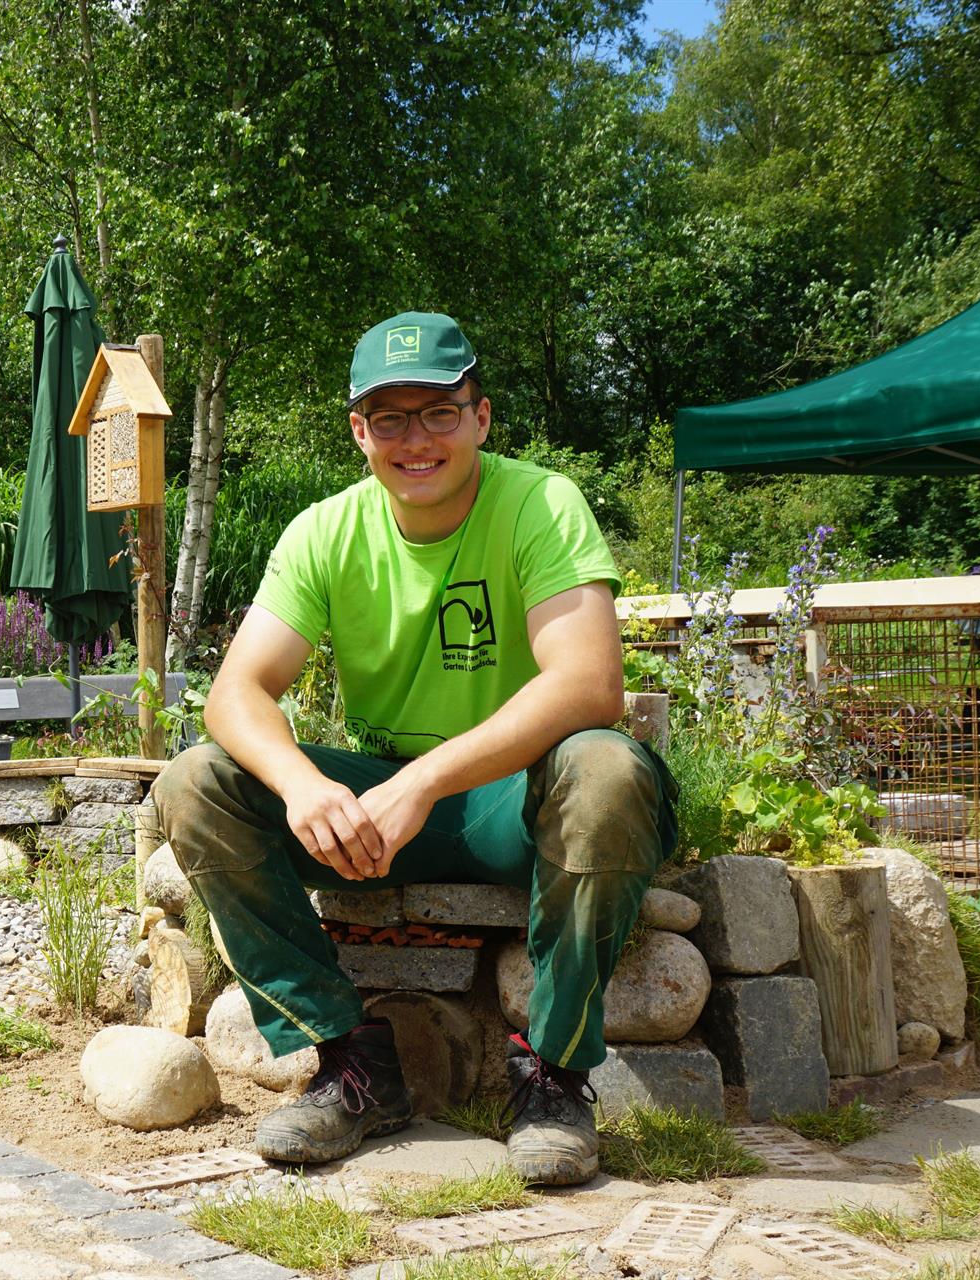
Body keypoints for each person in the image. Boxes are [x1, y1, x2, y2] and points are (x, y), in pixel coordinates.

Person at [154, 312, 677, 1185]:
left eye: (438, 411)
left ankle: (552, 1074)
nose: (416, 439)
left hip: (519, 798)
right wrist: (301, 786)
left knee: (606, 766)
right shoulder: (324, 530)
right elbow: (235, 693)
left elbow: (590, 686)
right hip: (383, 811)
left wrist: (427, 779)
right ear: (359, 431)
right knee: (197, 781)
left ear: (481, 415)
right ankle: (352, 1063)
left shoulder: (542, 503)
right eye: (389, 418)